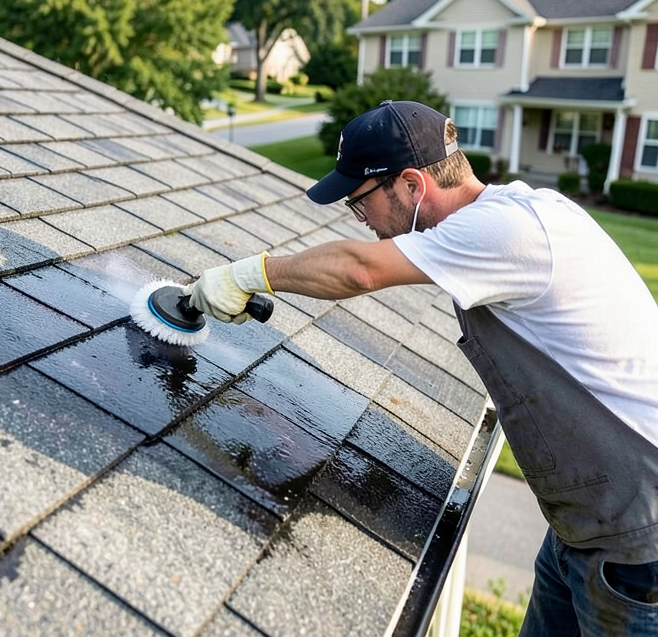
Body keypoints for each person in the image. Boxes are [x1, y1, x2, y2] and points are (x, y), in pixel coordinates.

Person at [184, 100, 658, 635]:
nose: (364, 222)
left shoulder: (506, 230)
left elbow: (359, 270)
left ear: (412, 185)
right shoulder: (518, 212)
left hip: (641, 539)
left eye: (360, 203)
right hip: (586, 526)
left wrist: (245, 275)